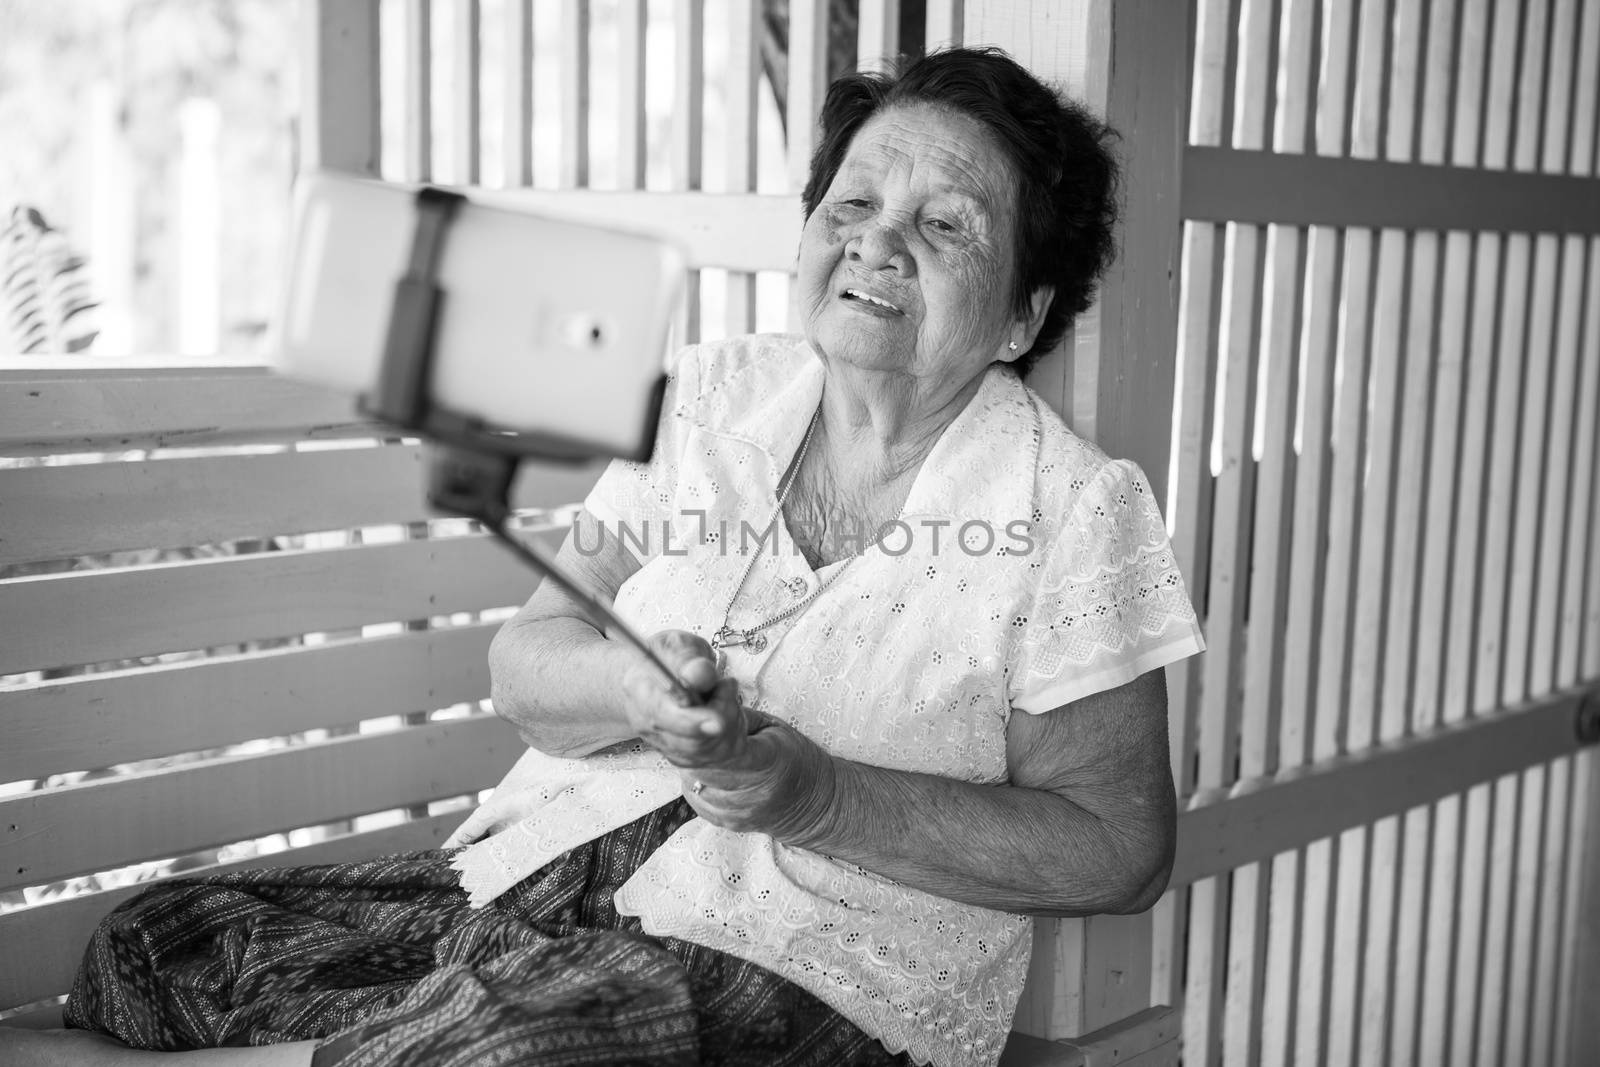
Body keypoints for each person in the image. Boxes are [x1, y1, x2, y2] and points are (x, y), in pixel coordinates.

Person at [1, 46, 1203, 1067]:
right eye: (851, 205)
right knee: (153, 947)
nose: (877, 245)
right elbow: (529, 659)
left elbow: (1116, 844)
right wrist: (630, 688)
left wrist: (820, 794)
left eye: (944, 226)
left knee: (495, 1048)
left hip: (800, 968)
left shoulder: (1073, 507)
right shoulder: (715, 399)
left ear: (1022, 318)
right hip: (543, 879)